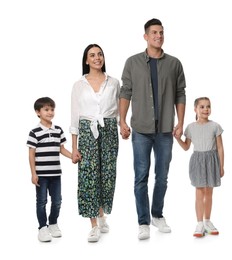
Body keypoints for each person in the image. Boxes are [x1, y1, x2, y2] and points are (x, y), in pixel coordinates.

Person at [119, 18, 186, 240]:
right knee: (141, 176)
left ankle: (157, 215)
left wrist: (180, 123)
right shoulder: (132, 62)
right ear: (146, 36)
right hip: (140, 129)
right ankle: (143, 222)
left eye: (161, 32)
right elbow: (126, 92)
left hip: (166, 129)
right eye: (154, 32)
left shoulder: (174, 63)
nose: (159, 35)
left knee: (163, 176)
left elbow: (180, 93)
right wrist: (122, 121)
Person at [70, 44, 120, 242]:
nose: (97, 58)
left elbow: (120, 108)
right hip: (86, 131)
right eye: (92, 55)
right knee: (88, 176)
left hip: (109, 130)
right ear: (86, 60)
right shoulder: (78, 85)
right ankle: (93, 225)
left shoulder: (114, 82)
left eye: (100, 54)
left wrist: (122, 125)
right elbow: (74, 117)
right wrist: (74, 148)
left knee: (107, 175)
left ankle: (101, 214)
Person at [175, 97, 224, 237]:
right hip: (198, 161)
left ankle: (207, 221)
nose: (205, 109)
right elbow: (186, 147)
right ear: (195, 109)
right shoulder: (190, 127)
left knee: (209, 193)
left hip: (212, 161)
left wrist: (221, 166)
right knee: (199, 192)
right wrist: (178, 138)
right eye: (202, 107)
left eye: (208, 106)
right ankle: (199, 223)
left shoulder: (215, 126)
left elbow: (220, 147)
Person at [26, 97, 72, 242]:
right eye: (46, 109)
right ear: (37, 112)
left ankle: (53, 223)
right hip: (41, 175)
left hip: (56, 174)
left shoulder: (58, 130)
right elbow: (31, 154)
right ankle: (42, 228)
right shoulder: (35, 132)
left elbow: (61, 149)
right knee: (41, 201)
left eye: (52, 109)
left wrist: (73, 157)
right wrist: (33, 173)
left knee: (57, 201)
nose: (50, 112)